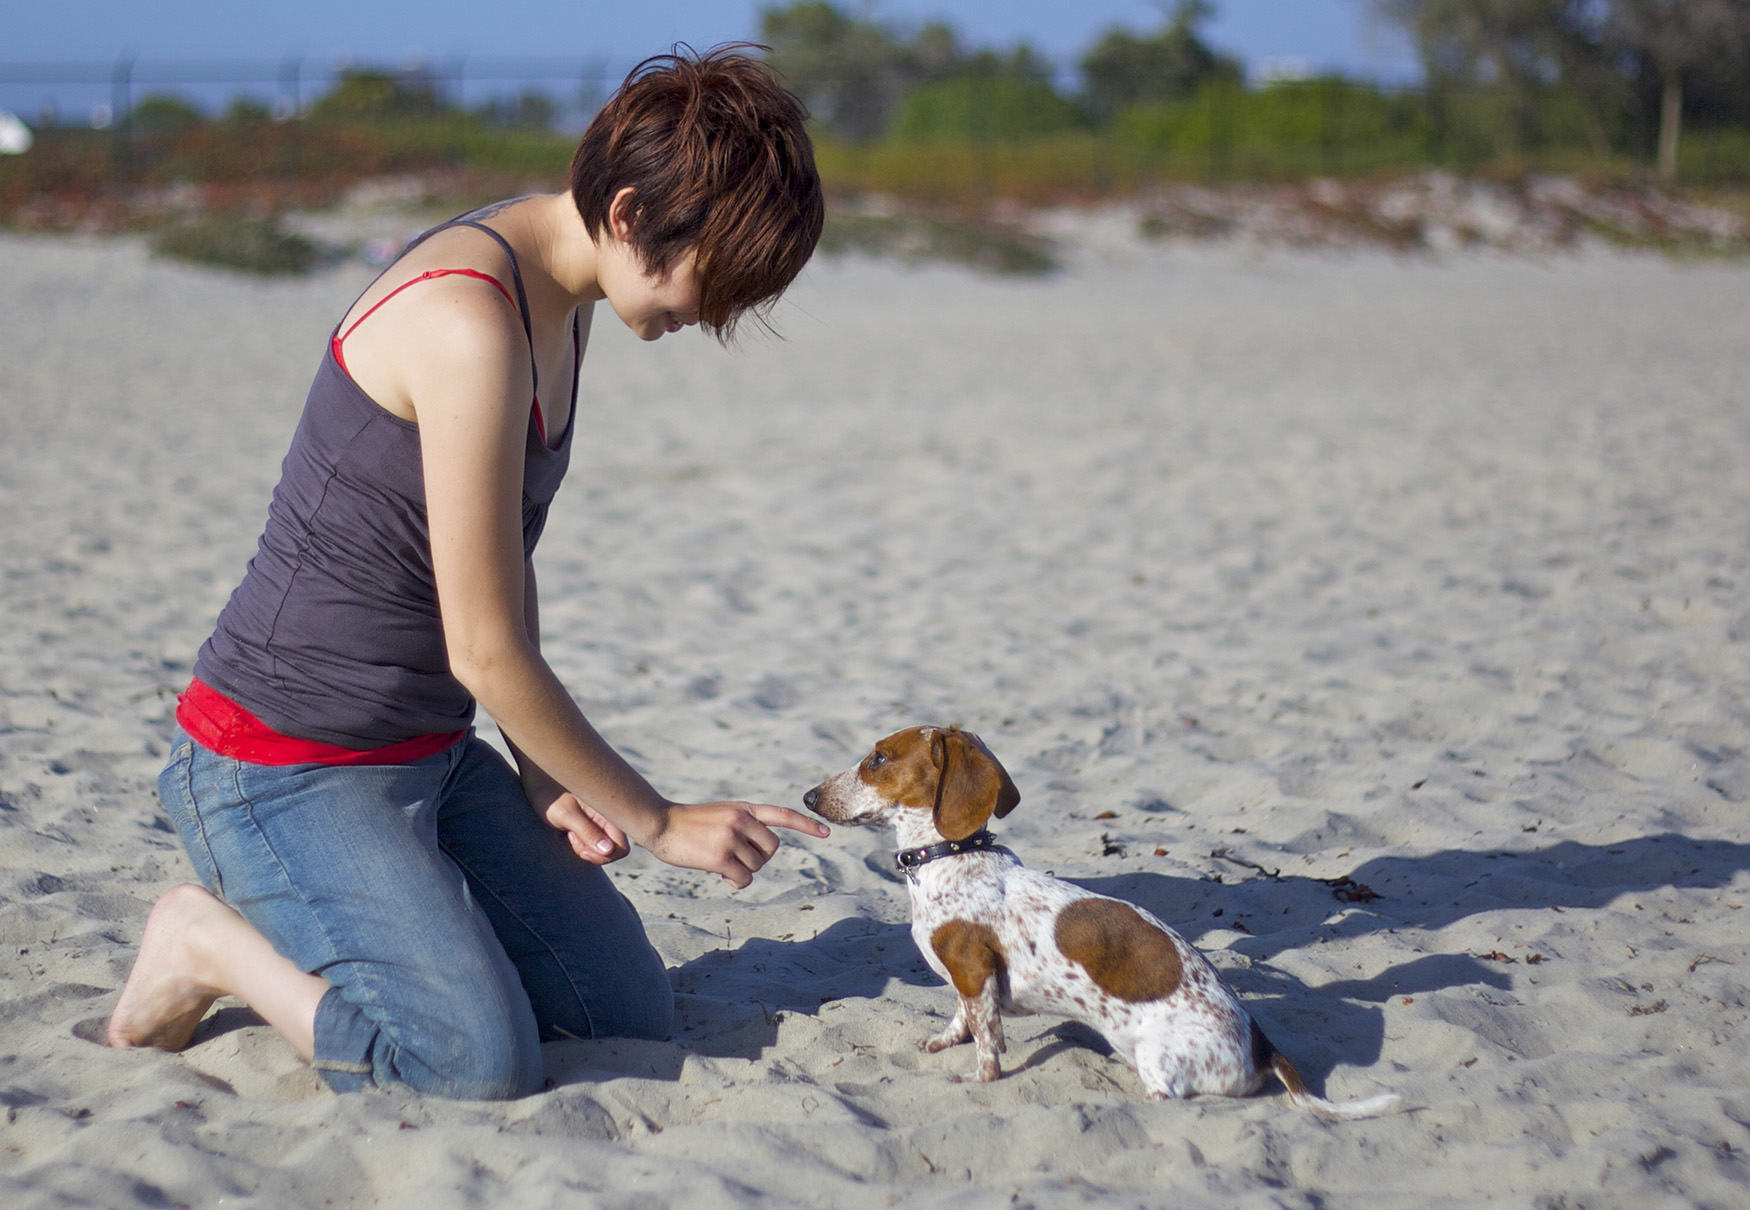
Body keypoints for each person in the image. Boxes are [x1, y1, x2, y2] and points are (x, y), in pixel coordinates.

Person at [106, 46, 830, 1100]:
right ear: (629, 214)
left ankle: (381, 925)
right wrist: (657, 818)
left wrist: (545, 774)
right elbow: (482, 648)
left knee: (618, 1008)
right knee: (470, 1062)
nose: (703, 320)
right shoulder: (466, 320)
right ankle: (205, 945)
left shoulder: (564, 292)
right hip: (281, 763)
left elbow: (497, 559)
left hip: (429, 754)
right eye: (706, 285)